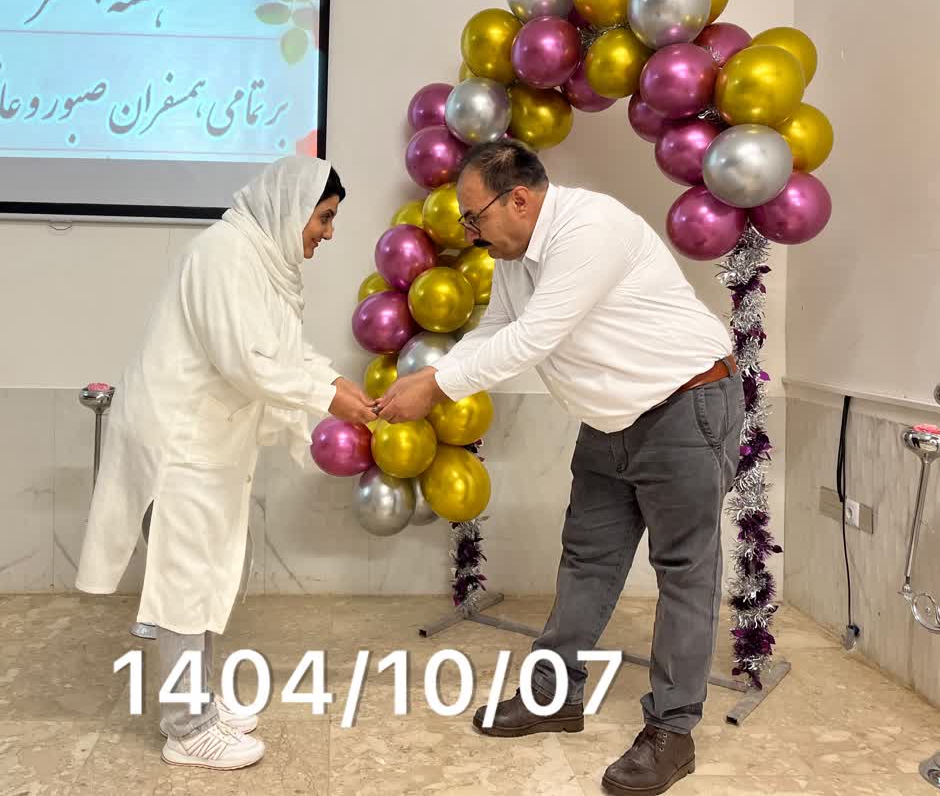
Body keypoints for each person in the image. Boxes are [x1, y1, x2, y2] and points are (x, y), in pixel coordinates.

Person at [376, 139, 742, 796]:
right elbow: (496, 328)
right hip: (608, 419)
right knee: (586, 558)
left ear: (518, 199)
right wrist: (436, 373)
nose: (470, 232)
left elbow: (534, 336)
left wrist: (438, 386)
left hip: (685, 404)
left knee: (684, 571)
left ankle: (672, 732)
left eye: (475, 216)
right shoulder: (513, 256)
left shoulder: (589, 228)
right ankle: (553, 696)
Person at [75, 155, 375, 771]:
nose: (328, 232)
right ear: (290, 208)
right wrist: (328, 398)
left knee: (207, 572)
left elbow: (281, 349)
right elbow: (246, 359)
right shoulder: (224, 255)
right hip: (179, 443)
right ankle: (187, 729)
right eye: (323, 217)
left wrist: (338, 384)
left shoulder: (259, 260)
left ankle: (201, 703)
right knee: (186, 580)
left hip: (205, 443)